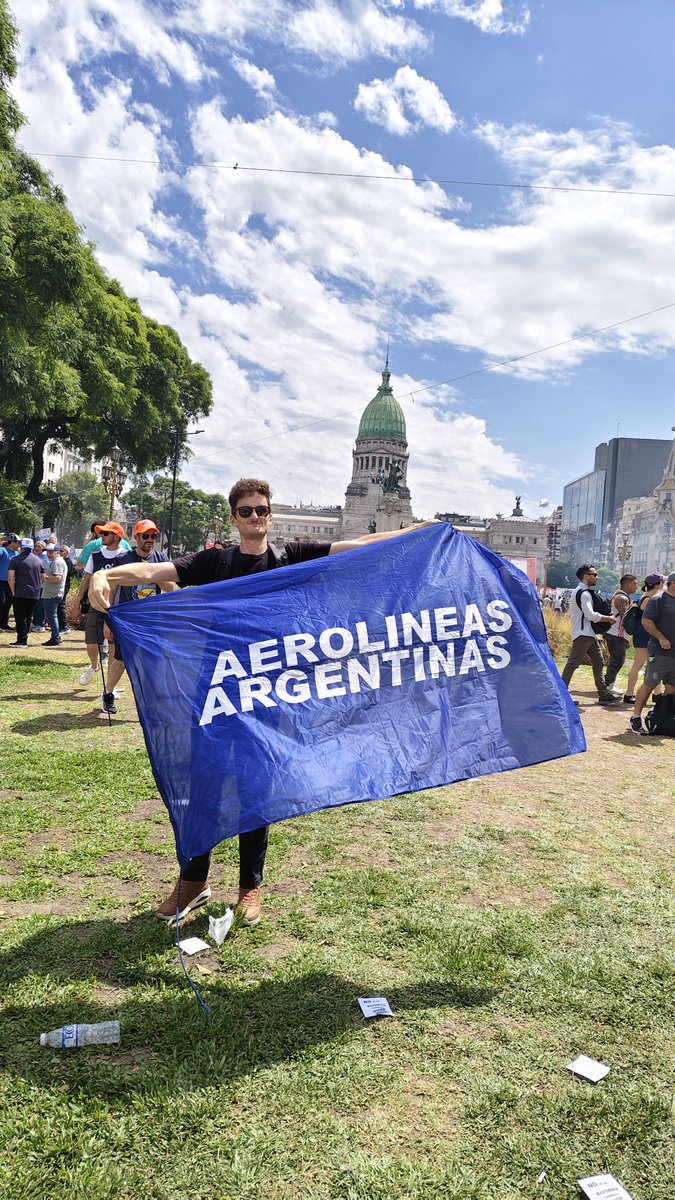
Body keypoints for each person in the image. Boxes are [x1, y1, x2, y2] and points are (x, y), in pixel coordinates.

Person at [90, 477, 438, 926]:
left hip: (269, 690)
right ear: (234, 518)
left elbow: (357, 546)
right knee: (204, 781)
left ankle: (249, 887)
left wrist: (414, 532)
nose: (255, 517)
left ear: (270, 515)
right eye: (246, 511)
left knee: (255, 785)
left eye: (261, 509)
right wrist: (105, 574)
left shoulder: (290, 556)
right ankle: (193, 880)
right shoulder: (215, 561)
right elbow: (153, 572)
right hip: (217, 686)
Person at [100, 519, 178, 715]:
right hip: (127, 619)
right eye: (146, 536)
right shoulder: (124, 559)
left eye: (154, 536)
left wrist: (153, 574)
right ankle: (108, 693)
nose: (150, 539)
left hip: (152, 620)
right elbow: (111, 589)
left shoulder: (161, 559)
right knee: (121, 659)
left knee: (154, 660)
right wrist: (108, 619)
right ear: (136, 537)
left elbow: (172, 588)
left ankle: (152, 702)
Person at [72, 522, 129, 686]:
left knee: (113, 646)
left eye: (105, 533)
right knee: (91, 643)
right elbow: (86, 580)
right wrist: (77, 603)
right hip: (97, 606)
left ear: (116, 536)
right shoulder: (96, 555)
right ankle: (94, 665)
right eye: (101, 533)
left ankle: (110, 687)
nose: (101, 536)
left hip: (117, 607)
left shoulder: (127, 556)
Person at [560, 565, 621, 705]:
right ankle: (561, 694)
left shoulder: (581, 592)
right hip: (584, 634)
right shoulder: (584, 593)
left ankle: (603, 694)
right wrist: (608, 619)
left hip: (588, 634)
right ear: (586, 576)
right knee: (573, 664)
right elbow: (590, 615)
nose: (597, 577)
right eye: (595, 574)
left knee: (598, 662)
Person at [630, 572, 675, 734]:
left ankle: (662, 719)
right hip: (660, 652)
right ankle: (636, 717)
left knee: (671, 688)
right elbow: (646, 620)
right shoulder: (659, 599)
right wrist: (661, 638)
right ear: (673, 583)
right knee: (649, 684)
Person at [623, 574, 665, 703]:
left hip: (645, 635)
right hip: (644, 636)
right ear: (657, 584)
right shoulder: (648, 599)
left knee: (653, 665)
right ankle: (629, 694)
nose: (664, 584)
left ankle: (657, 693)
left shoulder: (648, 597)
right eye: (662, 581)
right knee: (638, 665)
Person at [603, 574, 638, 693]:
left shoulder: (621, 596)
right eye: (634, 584)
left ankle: (608, 683)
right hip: (617, 634)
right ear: (627, 584)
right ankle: (608, 685)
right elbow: (626, 616)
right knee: (617, 661)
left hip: (617, 634)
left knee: (617, 660)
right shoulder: (622, 598)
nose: (636, 586)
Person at [6, 539, 44, 647]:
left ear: (21, 547)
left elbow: (10, 577)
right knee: (28, 616)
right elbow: (43, 577)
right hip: (35, 592)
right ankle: (25, 636)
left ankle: (22, 640)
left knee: (20, 617)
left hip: (20, 592)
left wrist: (13, 591)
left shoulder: (15, 559)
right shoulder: (39, 560)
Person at [40, 545, 68, 646]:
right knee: (51, 615)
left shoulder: (57, 562)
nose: (49, 554)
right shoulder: (57, 562)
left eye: (51, 552)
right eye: (48, 552)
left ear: (58, 552)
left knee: (51, 616)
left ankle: (55, 637)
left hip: (53, 593)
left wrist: (45, 577)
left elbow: (57, 578)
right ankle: (56, 636)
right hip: (53, 592)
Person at [0, 534, 20, 630]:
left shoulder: (17, 554)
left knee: (8, 602)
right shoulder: (2, 551)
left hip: (12, 581)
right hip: (1, 581)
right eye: (18, 542)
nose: (19, 544)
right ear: (12, 542)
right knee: (1, 602)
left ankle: (4, 623)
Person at [57, 545, 75, 635]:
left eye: (62, 551)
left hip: (65, 585)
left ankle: (63, 626)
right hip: (61, 585)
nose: (60, 553)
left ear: (67, 553)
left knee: (61, 605)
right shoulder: (62, 561)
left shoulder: (68, 562)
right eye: (59, 551)